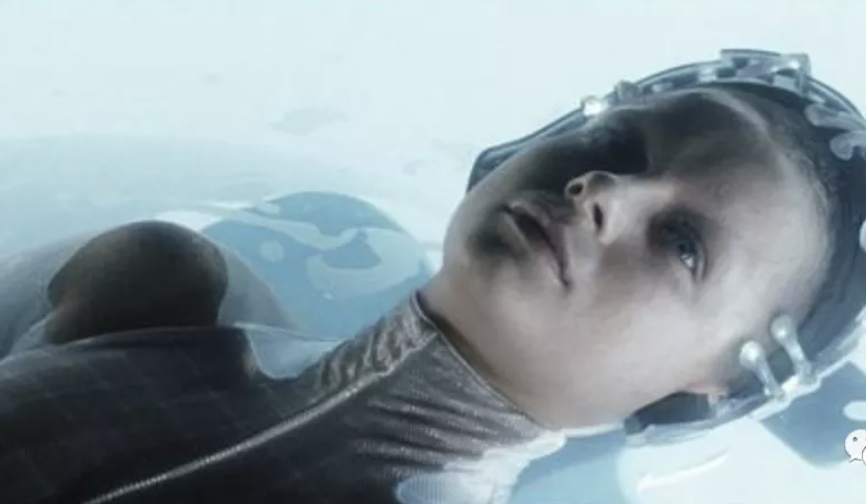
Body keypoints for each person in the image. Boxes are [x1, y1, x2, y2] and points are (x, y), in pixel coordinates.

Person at [0, 48, 864, 504]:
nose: (605, 190)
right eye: (615, 142)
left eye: (683, 243)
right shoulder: (142, 283)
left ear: (715, 384)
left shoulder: (130, 298)